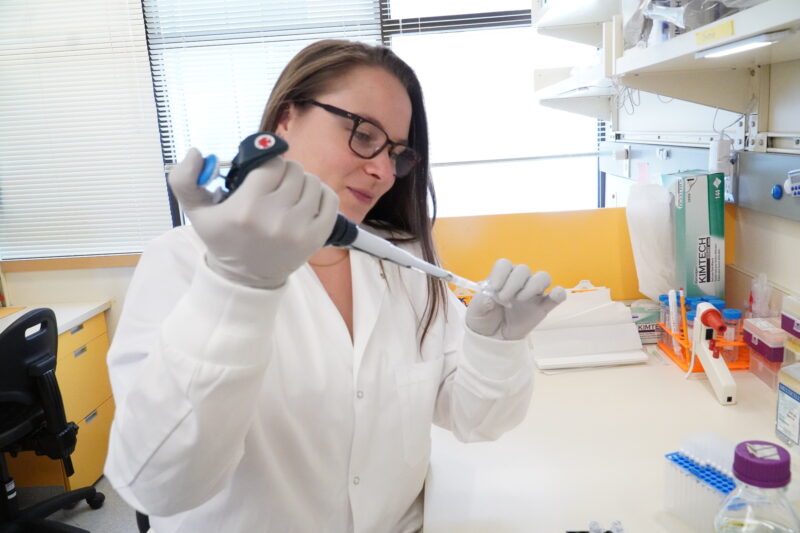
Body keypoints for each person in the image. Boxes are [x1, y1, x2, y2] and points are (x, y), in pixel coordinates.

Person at [104, 39, 566, 533]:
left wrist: (495, 347)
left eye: (397, 153)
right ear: (286, 120)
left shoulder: (403, 262)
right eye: (364, 134)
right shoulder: (182, 262)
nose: (384, 170)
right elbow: (160, 486)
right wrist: (236, 290)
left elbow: (475, 419)